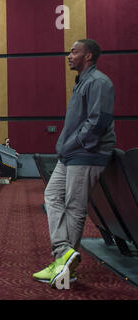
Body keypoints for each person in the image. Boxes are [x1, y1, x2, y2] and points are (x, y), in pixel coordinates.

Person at [33, 39, 116, 288]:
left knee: (75, 207)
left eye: (74, 51)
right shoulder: (82, 82)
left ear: (88, 56)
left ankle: (64, 267)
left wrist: (72, 144)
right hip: (71, 153)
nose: (69, 55)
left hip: (88, 154)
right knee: (52, 195)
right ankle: (63, 253)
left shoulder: (100, 82)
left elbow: (97, 123)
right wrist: (65, 146)